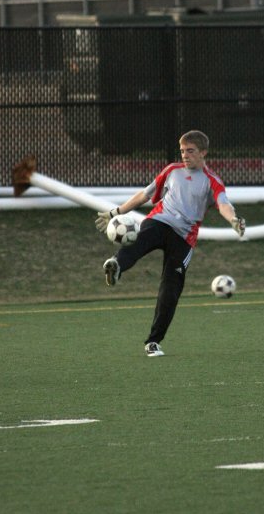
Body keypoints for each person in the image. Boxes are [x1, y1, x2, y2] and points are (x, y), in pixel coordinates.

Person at [95, 130, 246, 357]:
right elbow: (145, 194)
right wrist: (116, 211)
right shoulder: (172, 171)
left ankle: (153, 341)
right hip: (159, 220)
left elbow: (224, 203)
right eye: (183, 151)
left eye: (191, 151)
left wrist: (233, 219)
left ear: (203, 152)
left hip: (184, 237)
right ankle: (116, 266)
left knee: (170, 289)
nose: (185, 155)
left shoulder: (212, 181)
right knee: (137, 241)